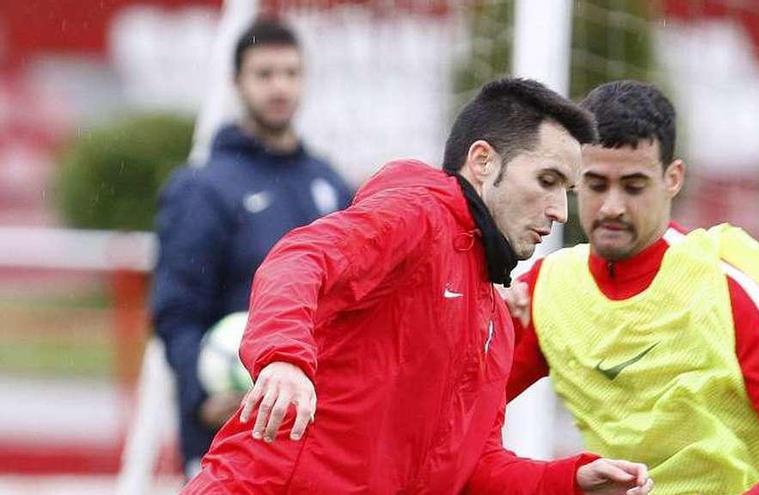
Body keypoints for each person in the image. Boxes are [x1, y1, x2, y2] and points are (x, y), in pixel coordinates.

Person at [182, 78, 654, 494]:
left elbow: (476, 469)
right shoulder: (417, 216)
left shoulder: (495, 319)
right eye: (547, 180)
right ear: (483, 161)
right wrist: (284, 359)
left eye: (566, 191)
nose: (560, 212)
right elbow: (299, 259)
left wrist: (567, 482)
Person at [503, 80, 759, 494]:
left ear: (673, 178)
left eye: (634, 186)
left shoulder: (724, 286)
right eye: (596, 184)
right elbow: (462, 407)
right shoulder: (546, 290)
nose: (612, 206)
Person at [151, 19, 353, 478]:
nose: (279, 86)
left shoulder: (330, 182)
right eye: (264, 74)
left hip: (318, 427)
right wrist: (202, 398)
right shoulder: (203, 188)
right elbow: (176, 310)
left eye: (290, 73)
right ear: (237, 82)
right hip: (233, 428)